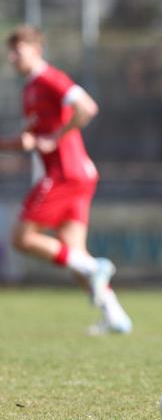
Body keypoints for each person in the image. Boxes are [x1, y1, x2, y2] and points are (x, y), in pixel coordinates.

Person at [2, 25, 131, 335]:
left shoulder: (49, 78)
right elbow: (32, 139)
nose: (11, 58)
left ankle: (95, 267)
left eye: (17, 50)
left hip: (65, 173)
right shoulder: (29, 89)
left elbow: (87, 107)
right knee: (74, 254)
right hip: (79, 175)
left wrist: (57, 136)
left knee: (21, 238)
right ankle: (115, 316)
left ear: (36, 49)